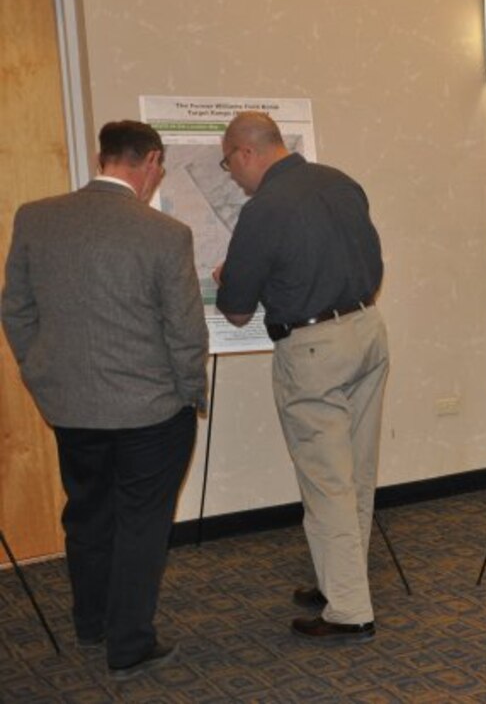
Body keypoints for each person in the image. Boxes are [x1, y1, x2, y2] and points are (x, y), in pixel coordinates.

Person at [2, 121, 208, 680]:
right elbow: (186, 333)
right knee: (142, 523)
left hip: (71, 409)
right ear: (152, 162)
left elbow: (15, 310)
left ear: (102, 157)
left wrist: (44, 374)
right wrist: (191, 392)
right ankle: (130, 644)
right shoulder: (165, 233)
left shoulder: (36, 218)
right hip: (151, 412)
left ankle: (91, 622)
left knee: (88, 514)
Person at [214, 111, 388, 641]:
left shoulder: (263, 209)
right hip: (369, 329)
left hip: (315, 351)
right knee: (355, 472)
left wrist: (230, 277)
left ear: (247, 152)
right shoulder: (341, 181)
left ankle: (349, 610)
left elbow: (237, 309)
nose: (232, 177)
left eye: (228, 165)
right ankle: (340, 578)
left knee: (326, 481)